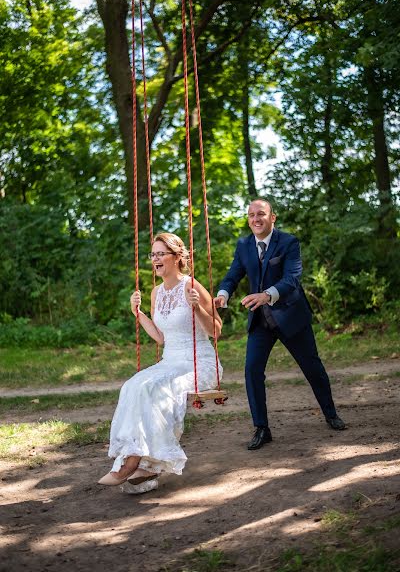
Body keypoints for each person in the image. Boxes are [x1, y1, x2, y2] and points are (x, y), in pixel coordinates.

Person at [215, 198, 345, 451]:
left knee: (312, 367)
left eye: (261, 214)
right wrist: (223, 293)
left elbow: (292, 279)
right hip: (261, 321)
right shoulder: (243, 245)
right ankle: (262, 428)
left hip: (291, 316)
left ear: (272, 217)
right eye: (251, 215)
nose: (256, 219)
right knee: (252, 370)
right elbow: (233, 275)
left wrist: (266, 295)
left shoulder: (288, 242)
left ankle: (331, 414)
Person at [98, 232, 223, 486]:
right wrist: (139, 314)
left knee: (154, 388)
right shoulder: (156, 292)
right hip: (170, 361)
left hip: (198, 363)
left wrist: (197, 307)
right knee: (132, 386)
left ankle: (137, 462)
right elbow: (160, 338)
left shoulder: (191, 285)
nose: (155, 259)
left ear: (177, 257)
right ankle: (137, 460)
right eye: (152, 254)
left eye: (160, 254)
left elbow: (217, 331)